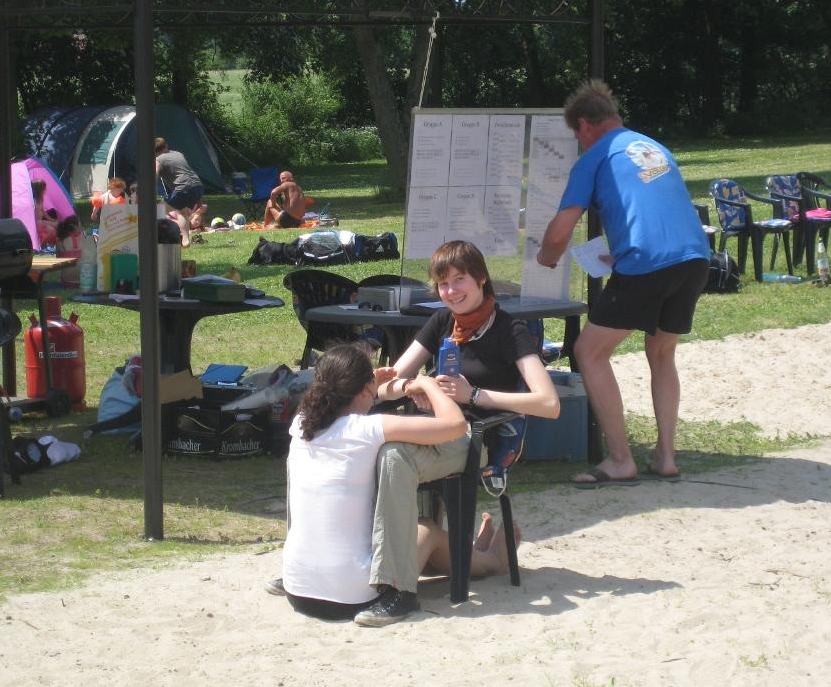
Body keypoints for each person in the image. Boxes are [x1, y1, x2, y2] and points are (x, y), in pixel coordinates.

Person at [358, 239, 560, 626]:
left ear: (481, 278)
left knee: (392, 455)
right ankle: (343, 567)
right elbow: (385, 385)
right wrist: (411, 387)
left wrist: (475, 395)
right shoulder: (441, 322)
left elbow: (548, 403)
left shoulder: (510, 330)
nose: (451, 291)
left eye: (459, 280)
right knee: (361, 448)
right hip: (429, 428)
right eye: (443, 284)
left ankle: (398, 591)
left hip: (473, 438)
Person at [537, 80, 710, 486]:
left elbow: (561, 230)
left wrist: (546, 257)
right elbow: (655, 210)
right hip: (694, 257)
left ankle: (620, 460)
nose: (579, 143)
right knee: (662, 353)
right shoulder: (654, 148)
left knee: (589, 351)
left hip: (648, 263)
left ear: (584, 125)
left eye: (577, 135)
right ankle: (666, 457)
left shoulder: (595, 156)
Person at [282, 343, 520, 623]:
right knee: (427, 529)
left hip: (297, 590)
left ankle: (480, 553)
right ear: (363, 390)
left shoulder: (301, 424)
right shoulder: (367, 429)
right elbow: (455, 424)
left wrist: (372, 384)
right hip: (353, 595)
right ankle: (492, 561)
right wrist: (427, 384)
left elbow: (347, 395)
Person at [154, 137, 204, 248]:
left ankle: (157, 238)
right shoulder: (178, 154)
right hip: (198, 186)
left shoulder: (158, 159)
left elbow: (155, 174)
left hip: (183, 188)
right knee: (182, 211)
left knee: (157, 208)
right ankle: (185, 241)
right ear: (166, 146)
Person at [31, 179, 58, 247]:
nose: (45, 190)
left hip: (40, 222)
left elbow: (43, 211)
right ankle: (40, 246)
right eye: (44, 189)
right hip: (36, 223)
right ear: (39, 190)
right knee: (52, 231)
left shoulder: (40, 199)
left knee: (57, 225)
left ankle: (52, 245)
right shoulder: (33, 201)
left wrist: (51, 219)